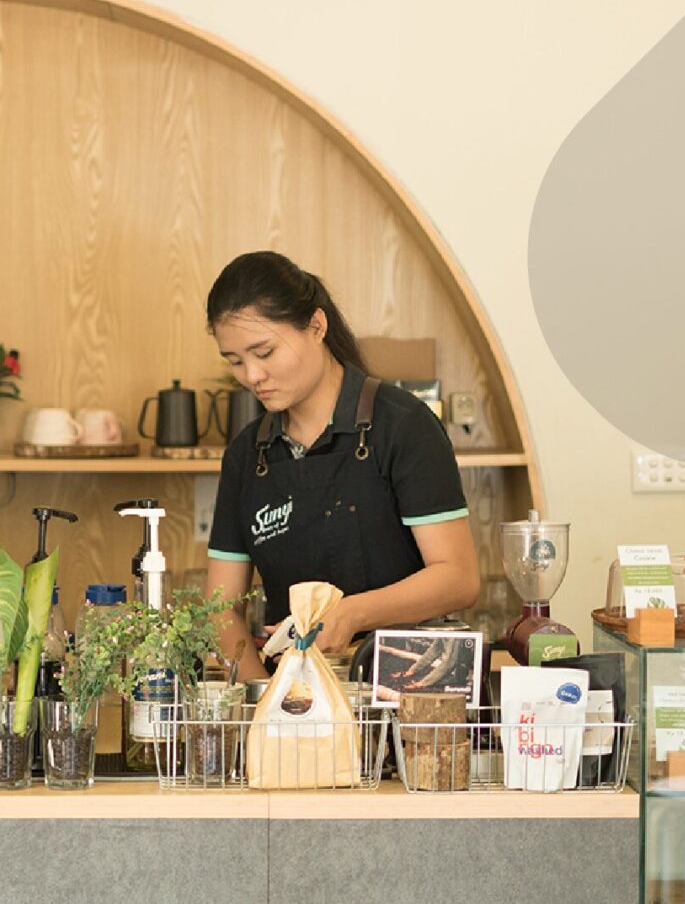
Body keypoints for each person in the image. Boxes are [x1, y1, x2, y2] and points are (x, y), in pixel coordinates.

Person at [204, 251, 479, 681]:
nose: (252, 375)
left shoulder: (403, 426)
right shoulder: (246, 455)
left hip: (406, 691)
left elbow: (458, 578)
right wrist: (264, 698)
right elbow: (222, 610)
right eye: (235, 361)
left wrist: (351, 613)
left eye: (264, 352)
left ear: (317, 326)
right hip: (293, 697)